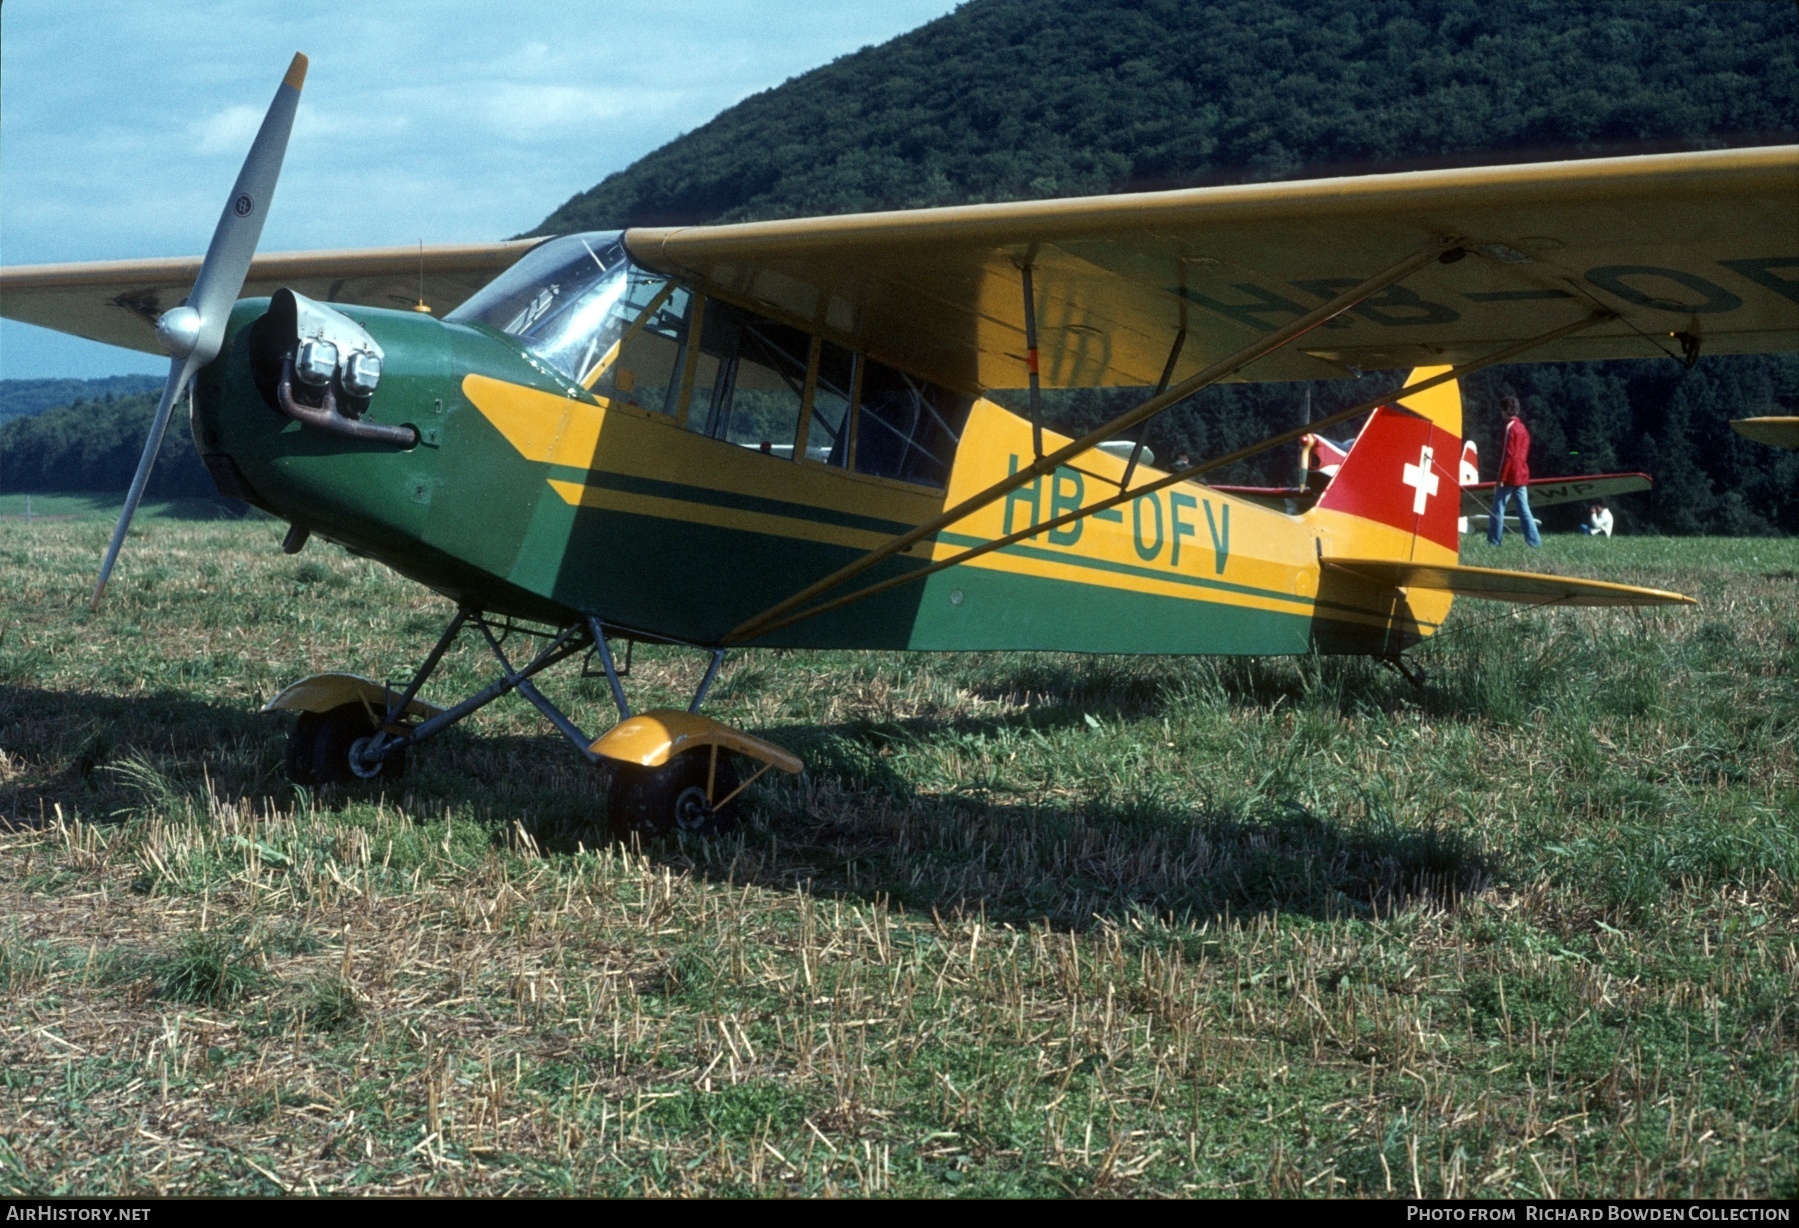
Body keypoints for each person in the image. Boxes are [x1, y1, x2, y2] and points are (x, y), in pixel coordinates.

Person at [1486, 397, 1541, 547]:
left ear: (1504, 411)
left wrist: (1501, 478)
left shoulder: (1510, 427)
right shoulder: (1523, 428)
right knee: (1524, 510)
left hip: (1510, 475)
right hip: (1522, 474)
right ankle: (1534, 542)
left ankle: (1493, 541)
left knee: (1498, 509)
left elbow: (1507, 454)